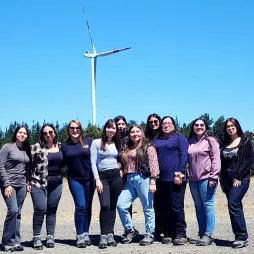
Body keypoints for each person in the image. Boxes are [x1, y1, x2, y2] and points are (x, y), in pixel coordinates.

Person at [117, 124, 160, 246]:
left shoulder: (148, 146)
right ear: (129, 134)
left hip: (143, 178)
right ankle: (130, 230)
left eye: (137, 131)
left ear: (141, 133)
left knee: (147, 207)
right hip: (129, 179)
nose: (135, 134)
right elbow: (123, 161)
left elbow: (154, 164)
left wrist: (153, 180)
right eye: (132, 132)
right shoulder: (127, 147)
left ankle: (149, 233)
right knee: (121, 205)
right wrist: (120, 168)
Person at [153, 116, 188, 245]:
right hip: (161, 179)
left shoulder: (179, 138)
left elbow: (184, 155)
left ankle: (180, 233)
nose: (166, 125)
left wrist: (180, 173)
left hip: (176, 178)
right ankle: (168, 232)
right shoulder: (157, 139)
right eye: (164, 123)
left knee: (176, 206)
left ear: (173, 125)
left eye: (169, 123)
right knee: (165, 207)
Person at [220, 117, 253, 249]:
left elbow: (249, 160)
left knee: (233, 203)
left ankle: (241, 236)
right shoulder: (225, 144)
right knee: (234, 205)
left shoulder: (245, 142)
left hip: (240, 178)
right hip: (226, 178)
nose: (230, 128)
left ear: (237, 126)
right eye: (228, 126)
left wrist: (239, 177)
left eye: (232, 125)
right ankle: (240, 235)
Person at [30, 124, 64, 249]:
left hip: (57, 183)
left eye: (50, 132)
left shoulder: (61, 146)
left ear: (55, 132)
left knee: (52, 211)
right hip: (38, 183)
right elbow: (28, 166)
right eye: (45, 133)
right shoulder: (35, 147)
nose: (48, 135)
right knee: (40, 209)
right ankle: (37, 237)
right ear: (42, 135)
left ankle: (50, 236)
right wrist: (28, 181)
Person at [188, 118, 221, 246]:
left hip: (207, 178)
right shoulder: (190, 142)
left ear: (206, 127)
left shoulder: (211, 141)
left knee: (208, 205)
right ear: (193, 127)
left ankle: (209, 234)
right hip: (193, 179)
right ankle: (201, 233)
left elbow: (216, 159)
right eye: (196, 125)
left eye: (202, 125)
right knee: (198, 206)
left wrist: (213, 176)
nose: (199, 127)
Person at [90, 119, 122, 249]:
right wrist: (97, 179)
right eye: (109, 128)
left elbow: (121, 158)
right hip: (102, 177)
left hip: (115, 177)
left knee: (113, 206)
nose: (111, 130)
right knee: (104, 205)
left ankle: (110, 233)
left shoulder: (117, 143)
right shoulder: (96, 143)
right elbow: (92, 163)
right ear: (105, 128)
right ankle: (103, 234)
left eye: (113, 128)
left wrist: (121, 169)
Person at [61, 120, 93, 248]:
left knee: (88, 207)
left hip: (90, 179)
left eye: (77, 128)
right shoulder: (63, 146)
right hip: (75, 179)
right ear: (68, 130)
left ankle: (86, 233)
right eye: (72, 128)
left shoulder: (89, 142)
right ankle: (79, 235)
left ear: (81, 129)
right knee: (80, 206)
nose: (75, 130)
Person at [0, 126, 31, 252]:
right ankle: (6, 242)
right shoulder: (7, 147)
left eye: (24, 133)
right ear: (16, 133)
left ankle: (16, 241)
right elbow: (1, 166)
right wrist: (6, 184)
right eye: (20, 132)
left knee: (18, 213)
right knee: (12, 210)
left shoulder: (26, 149)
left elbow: (28, 168)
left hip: (22, 185)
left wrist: (28, 182)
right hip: (9, 184)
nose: (22, 134)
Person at [145, 113, 161, 239]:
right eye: (151, 122)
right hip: (150, 176)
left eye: (156, 121)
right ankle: (155, 229)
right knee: (153, 203)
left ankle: (168, 229)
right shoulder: (146, 138)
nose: (153, 123)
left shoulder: (165, 136)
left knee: (165, 203)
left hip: (165, 174)